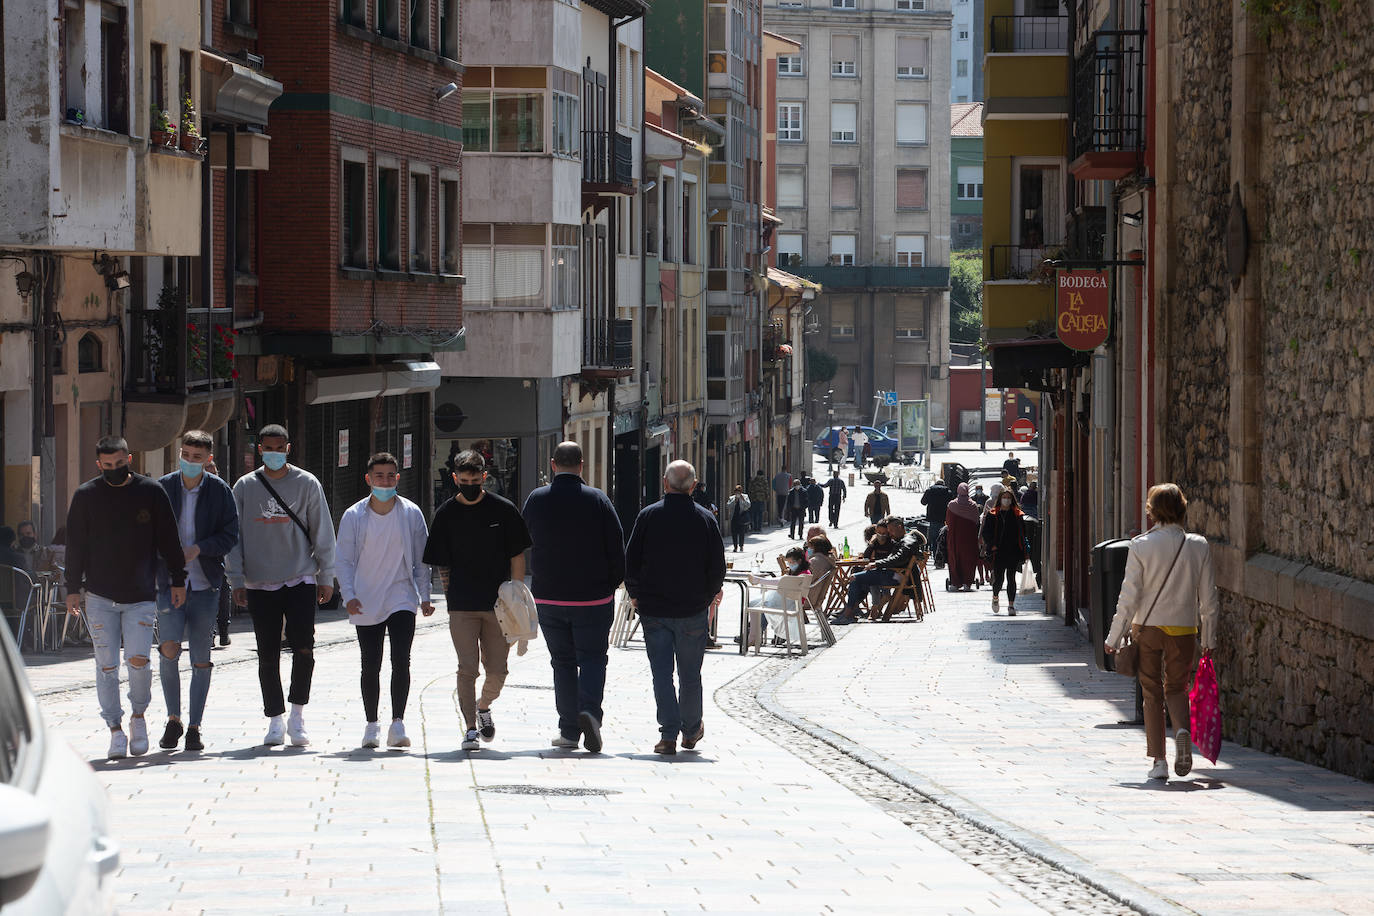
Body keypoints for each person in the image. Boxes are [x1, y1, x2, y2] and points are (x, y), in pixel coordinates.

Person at [65, 436, 187, 759]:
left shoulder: (151, 492)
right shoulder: (86, 496)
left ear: (129, 458)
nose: (114, 470)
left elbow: (169, 539)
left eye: (120, 464)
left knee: (138, 661)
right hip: (100, 596)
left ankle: (138, 717)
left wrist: (178, 579)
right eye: (107, 466)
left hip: (141, 595)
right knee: (106, 665)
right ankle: (115, 730)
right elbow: (75, 545)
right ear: (98, 465)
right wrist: (72, 588)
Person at [226, 424, 337, 748]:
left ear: (289, 448)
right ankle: (274, 718)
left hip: (300, 577)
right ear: (260, 450)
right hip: (260, 582)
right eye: (268, 448)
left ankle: (297, 714)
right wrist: (236, 579)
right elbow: (235, 537)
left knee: (304, 648)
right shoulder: (245, 487)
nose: (274, 453)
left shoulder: (307, 483)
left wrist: (326, 576)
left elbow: (323, 531)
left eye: (280, 447)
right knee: (267, 652)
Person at [1105, 484, 1218, 782]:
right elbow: (1209, 598)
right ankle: (1181, 730)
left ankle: (1159, 761)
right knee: (1177, 688)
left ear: (1152, 511)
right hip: (1184, 627)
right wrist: (1209, 639)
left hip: (1148, 627)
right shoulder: (1198, 545)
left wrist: (1113, 637)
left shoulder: (1140, 546)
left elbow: (1128, 596)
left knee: (1152, 693)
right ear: (1182, 507)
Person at [424, 449, 532, 752]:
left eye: (475, 479)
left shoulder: (504, 510)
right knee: (466, 668)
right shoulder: (446, 514)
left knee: (498, 670)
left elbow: (517, 555)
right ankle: (470, 728)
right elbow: (440, 564)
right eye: (464, 480)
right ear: (455, 478)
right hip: (462, 606)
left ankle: (484, 706)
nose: (469, 484)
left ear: (484, 477)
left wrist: (517, 595)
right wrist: (450, 598)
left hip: (499, 606)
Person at [522, 442, 625, 753]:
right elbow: (617, 547)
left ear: (553, 464)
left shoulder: (537, 500)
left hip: (549, 597)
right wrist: (610, 585)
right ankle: (590, 711)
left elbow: (519, 540)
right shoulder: (598, 500)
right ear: (581, 465)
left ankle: (568, 730)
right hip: (592, 598)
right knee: (593, 658)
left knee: (562, 662)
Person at [624, 460, 726, 756]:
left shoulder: (648, 516)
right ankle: (691, 729)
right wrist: (707, 595)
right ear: (694, 487)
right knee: (690, 674)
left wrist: (635, 593)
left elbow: (632, 559)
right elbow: (717, 566)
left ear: (664, 483)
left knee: (661, 673)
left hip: (654, 608)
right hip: (692, 609)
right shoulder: (706, 519)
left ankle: (668, 734)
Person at [336, 452, 433, 751]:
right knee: (370, 663)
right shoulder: (354, 516)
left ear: (398, 478)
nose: (385, 481)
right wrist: (349, 596)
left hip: (401, 595)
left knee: (401, 659)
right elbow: (344, 560)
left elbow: (421, 559)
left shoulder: (410, 513)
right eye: (379, 476)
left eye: (391, 476)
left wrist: (425, 595)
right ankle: (371, 725)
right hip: (365, 598)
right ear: (368, 479)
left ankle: (398, 722)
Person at [154, 430, 240, 752]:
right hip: (168, 585)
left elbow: (231, 535)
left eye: (197, 457)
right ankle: (173, 719)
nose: (190, 462)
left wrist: (200, 548)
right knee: (169, 650)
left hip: (205, 585)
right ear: (179, 453)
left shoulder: (220, 491)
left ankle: (194, 726)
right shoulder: (163, 487)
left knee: (201, 658)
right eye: (186, 455)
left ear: (209, 459)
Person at [834, 517, 921, 626]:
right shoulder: (903, 540)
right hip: (893, 573)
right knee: (859, 577)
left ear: (899, 527)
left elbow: (898, 558)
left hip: (895, 575)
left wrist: (876, 564)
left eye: (890, 531)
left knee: (855, 578)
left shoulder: (907, 541)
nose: (889, 534)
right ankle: (852, 610)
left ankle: (848, 614)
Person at [980, 485, 1028, 615]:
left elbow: (1023, 533)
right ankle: (995, 597)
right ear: (1000, 499)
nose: (1006, 500)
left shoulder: (1017, 514)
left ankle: (1011, 606)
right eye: (1004, 497)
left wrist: (1025, 550)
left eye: (1008, 498)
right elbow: (986, 532)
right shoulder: (993, 514)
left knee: (1011, 578)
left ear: (1012, 499)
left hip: (1013, 551)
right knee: (999, 578)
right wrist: (991, 544)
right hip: (998, 551)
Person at [944, 483, 982, 591]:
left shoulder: (952, 505)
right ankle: (967, 583)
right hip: (969, 538)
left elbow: (948, 522)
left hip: (954, 538)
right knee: (968, 559)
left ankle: (955, 583)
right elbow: (976, 521)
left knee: (954, 559)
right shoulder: (973, 505)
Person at [724, 485, 751, 552]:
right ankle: (735, 547)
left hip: (742, 517)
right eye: (736, 492)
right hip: (734, 518)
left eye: (739, 492)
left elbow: (748, 505)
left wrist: (743, 499)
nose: (738, 493)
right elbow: (728, 506)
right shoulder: (732, 498)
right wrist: (735, 501)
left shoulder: (745, 496)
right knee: (734, 533)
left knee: (742, 533)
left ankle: (741, 546)